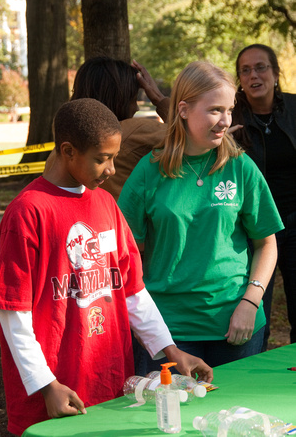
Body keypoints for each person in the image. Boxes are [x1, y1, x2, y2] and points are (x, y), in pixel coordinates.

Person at [0, 98, 213, 436]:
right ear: (68, 151)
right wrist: (45, 384)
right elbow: (13, 313)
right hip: (54, 392)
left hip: (108, 380)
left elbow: (132, 289)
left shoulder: (106, 203)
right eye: (102, 159)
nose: (112, 169)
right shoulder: (27, 213)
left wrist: (170, 351)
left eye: (114, 157)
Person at [118, 60, 284, 374]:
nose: (225, 121)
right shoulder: (148, 172)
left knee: (239, 421)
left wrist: (251, 302)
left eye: (230, 110)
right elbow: (127, 256)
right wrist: (146, 324)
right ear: (183, 109)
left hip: (237, 325)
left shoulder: (240, 167)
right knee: (164, 422)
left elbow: (267, 243)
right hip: (168, 332)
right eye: (215, 110)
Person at [232, 44, 296, 351]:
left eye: (261, 67)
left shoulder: (294, 109)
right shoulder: (229, 117)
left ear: (275, 72)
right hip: (254, 230)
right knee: (256, 312)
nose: (253, 75)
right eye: (245, 70)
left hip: (295, 221)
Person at [69, 55, 169, 201]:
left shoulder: (65, 144)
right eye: (133, 98)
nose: (136, 107)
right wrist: (160, 99)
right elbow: (191, 138)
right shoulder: (134, 131)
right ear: (121, 99)